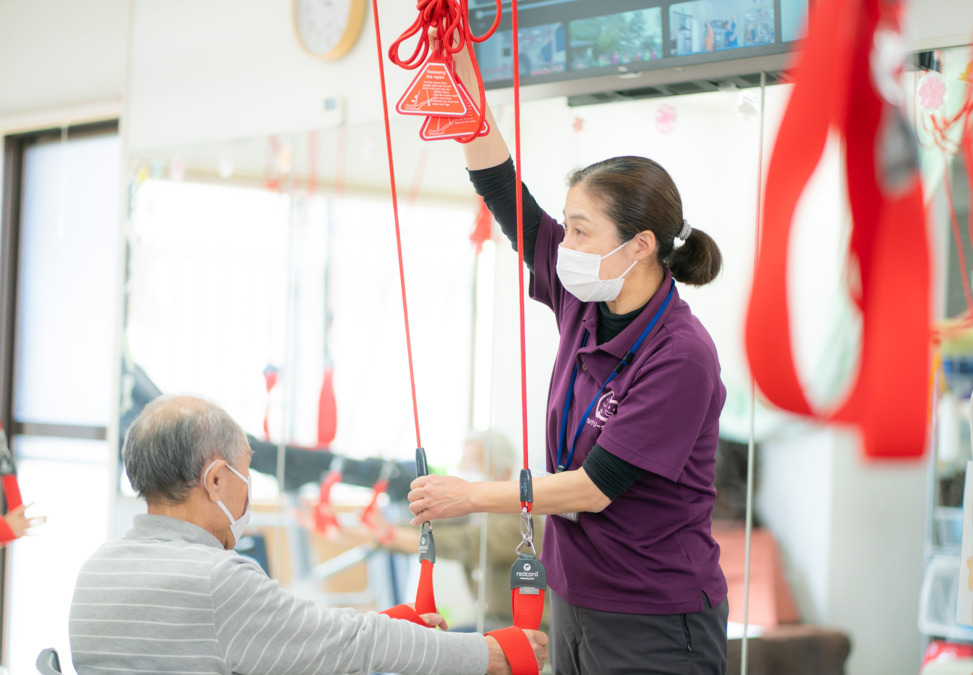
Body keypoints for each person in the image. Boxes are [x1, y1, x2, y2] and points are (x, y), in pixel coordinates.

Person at [408, 34, 729, 674]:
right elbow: (502, 190)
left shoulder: (681, 355)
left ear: (639, 245)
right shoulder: (585, 299)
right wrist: (457, 62)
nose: (568, 243)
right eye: (568, 224)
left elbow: (593, 489)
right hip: (573, 597)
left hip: (656, 614)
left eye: (581, 230)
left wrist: (469, 496)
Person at [68, 394, 546, 675]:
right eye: (245, 472)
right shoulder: (215, 580)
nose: (250, 489)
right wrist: (484, 654)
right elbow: (347, 644)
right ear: (215, 481)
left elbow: (292, 636)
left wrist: (394, 621)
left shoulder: (95, 570)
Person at [334, 431, 547, 632]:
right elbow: (424, 527)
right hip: (489, 625)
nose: (465, 467)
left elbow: (465, 542)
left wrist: (388, 535)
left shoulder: (523, 520)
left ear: (505, 472)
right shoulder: (475, 515)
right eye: (464, 460)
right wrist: (347, 530)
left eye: (473, 460)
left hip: (529, 632)